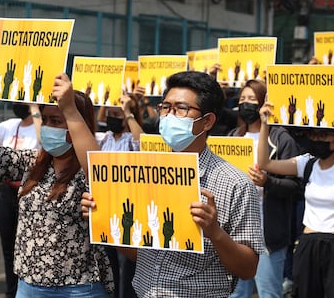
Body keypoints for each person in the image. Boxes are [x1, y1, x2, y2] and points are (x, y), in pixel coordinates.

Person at [82, 70, 265, 297]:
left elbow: (248, 269)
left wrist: (214, 232)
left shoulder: (235, 184)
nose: (169, 116)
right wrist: (107, 220)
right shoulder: (143, 173)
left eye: (181, 109)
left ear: (207, 121)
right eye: (166, 107)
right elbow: (142, 255)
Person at [0, 73, 114, 297]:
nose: (46, 127)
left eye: (56, 121)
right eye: (45, 120)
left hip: (79, 287)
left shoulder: (90, 167)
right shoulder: (33, 163)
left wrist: (70, 109)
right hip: (29, 285)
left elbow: (96, 166)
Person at [257, 102, 334, 298]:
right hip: (308, 243)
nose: (317, 140)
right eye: (314, 135)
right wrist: (265, 125)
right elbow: (265, 163)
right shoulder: (306, 163)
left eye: (323, 136)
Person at [228, 80, 302, 298]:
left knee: (269, 292)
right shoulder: (234, 136)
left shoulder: (281, 139)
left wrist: (268, 182)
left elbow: (295, 186)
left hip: (268, 230)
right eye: (242, 99)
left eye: (252, 99)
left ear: (263, 103)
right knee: (236, 293)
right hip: (236, 229)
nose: (246, 104)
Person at [0, 103, 41, 298]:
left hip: (29, 193)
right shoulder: (11, 125)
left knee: (27, 250)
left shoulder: (42, 125)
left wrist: (35, 108)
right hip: (8, 192)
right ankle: (11, 292)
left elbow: (44, 140)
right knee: (8, 249)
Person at [96, 93, 144, 298]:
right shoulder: (105, 137)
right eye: (111, 113)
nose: (112, 117)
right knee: (108, 265)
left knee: (127, 267)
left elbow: (143, 143)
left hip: (128, 209)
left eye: (118, 114)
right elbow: (97, 122)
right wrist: (106, 101)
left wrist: (127, 112)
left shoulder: (130, 139)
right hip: (106, 208)